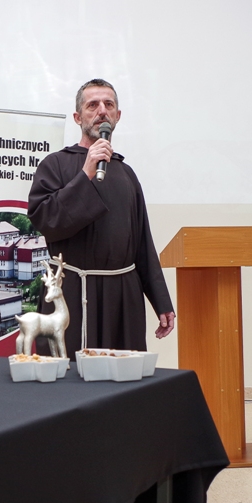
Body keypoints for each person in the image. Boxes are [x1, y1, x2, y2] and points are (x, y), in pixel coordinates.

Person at [27, 78, 175, 360]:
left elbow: (142, 243)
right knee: (68, 377)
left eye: (109, 104)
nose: (102, 111)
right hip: (73, 293)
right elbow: (46, 221)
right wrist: (85, 173)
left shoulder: (127, 174)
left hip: (121, 297)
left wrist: (161, 301)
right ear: (78, 117)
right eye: (92, 105)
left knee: (122, 377)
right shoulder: (55, 164)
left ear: (117, 116)